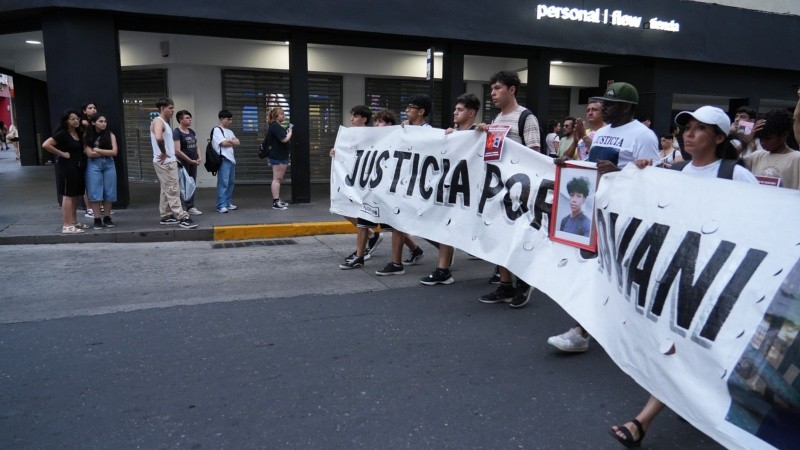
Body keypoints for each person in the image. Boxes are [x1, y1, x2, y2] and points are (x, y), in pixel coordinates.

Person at [612, 105, 758, 448]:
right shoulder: (674, 172)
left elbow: (760, 222)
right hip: (683, 277)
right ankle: (645, 419)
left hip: (721, 280)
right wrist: (643, 175)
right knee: (676, 346)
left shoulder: (735, 175)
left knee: (701, 347)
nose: (689, 133)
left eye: (700, 129)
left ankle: (658, 414)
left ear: (719, 137)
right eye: (686, 127)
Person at [547, 82, 659, 352]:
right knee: (593, 271)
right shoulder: (601, 133)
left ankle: (596, 330)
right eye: (604, 103)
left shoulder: (643, 135)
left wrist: (619, 171)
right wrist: (568, 164)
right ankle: (582, 330)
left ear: (628, 107)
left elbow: (655, 178)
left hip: (625, 217)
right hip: (597, 213)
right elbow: (590, 168)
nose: (604, 108)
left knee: (617, 273)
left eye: (610, 104)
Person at [476, 70, 540, 308]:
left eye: (498, 88)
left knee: (518, 237)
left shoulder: (526, 117)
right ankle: (505, 285)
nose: (492, 93)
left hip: (519, 190)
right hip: (498, 187)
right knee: (499, 236)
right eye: (491, 89)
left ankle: (523, 283)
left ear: (512, 90)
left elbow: (535, 154)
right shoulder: (496, 120)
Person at [419, 93, 480, 285]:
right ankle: (443, 270)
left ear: (471, 113)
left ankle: (501, 271)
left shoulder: (478, 131)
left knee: (482, 232)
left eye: (460, 110)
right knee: (444, 225)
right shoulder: (452, 133)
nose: (455, 113)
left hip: (475, 192)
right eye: (455, 109)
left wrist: (484, 130)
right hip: (454, 189)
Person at [333, 106, 384, 266]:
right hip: (354, 179)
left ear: (364, 119)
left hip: (368, 180)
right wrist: (336, 153)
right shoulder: (349, 133)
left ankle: (361, 252)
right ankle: (371, 236)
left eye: (355, 116)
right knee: (341, 207)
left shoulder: (372, 135)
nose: (352, 119)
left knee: (387, 222)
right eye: (352, 116)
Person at [150, 98, 196, 229]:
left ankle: (165, 215)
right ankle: (182, 217)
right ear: (162, 108)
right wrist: (164, 152)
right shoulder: (158, 121)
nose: (172, 110)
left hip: (168, 161)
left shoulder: (163, 122)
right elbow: (159, 137)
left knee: (166, 189)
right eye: (170, 108)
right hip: (165, 162)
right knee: (173, 189)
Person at [41, 110, 89, 234]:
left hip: (78, 167)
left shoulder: (77, 132)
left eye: (77, 118)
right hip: (67, 167)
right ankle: (66, 225)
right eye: (72, 119)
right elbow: (46, 145)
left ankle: (73, 222)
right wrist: (62, 154)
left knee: (75, 195)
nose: (76, 121)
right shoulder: (62, 133)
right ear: (66, 120)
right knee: (68, 195)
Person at [743, 108, 800, 190]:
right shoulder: (757, 156)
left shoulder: (796, 158)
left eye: (768, 138)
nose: (763, 142)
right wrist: (745, 141)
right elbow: (726, 162)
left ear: (784, 135)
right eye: (761, 138)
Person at [83, 113, 118, 229]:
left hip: (109, 163)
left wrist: (97, 149)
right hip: (94, 165)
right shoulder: (87, 135)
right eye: (100, 121)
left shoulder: (110, 134)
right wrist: (104, 151)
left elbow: (114, 152)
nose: (103, 124)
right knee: (94, 191)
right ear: (93, 123)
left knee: (110, 190)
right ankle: (97, 219)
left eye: (105, 121)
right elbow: (90, 154)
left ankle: (107, 217)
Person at [173, 110, 202, 215]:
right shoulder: (176, 132)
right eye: (187, 118)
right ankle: (182, 208)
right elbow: (177, 150)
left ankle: (190, 207)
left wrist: (199, 157)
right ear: (180, 120)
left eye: (190, 118)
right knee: (182, 185)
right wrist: (190, 160)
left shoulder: (192, 132)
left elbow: (196, 145)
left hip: (193, 163)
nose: (190, 120)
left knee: (191, 184)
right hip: (183, 163)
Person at [214, 109, 240, 213]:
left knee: (230, 182)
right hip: (223, 159)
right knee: (223, 183)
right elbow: (223, 144)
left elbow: (238, 142)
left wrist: (229, 141)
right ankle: (220, 205)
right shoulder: (217, 130)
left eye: (231, 119)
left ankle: (228, 203)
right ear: (221, 119)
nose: (230, 121)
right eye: (228, 119)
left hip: (231, 160)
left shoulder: (229, 131)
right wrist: (231, 142)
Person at [265, 107, 291, 211]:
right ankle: (276, 202)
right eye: (282, 114)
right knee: (277, 179)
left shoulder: (275, 125)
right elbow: (284, 139)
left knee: (278, 179)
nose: (284, 116)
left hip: (279, 156)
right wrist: (290, 133)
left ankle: (278, 200)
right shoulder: (275, 126)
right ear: (276, 116)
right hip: (278, 156)